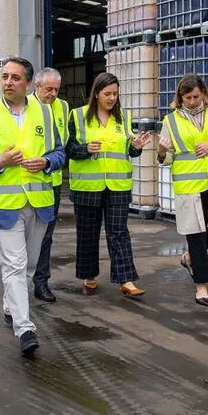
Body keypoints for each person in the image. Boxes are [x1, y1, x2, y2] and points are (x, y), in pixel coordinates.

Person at [0, 57, 65, 356]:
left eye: (15, 78)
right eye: (5, 77)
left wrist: (46, 162)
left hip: (39, 202)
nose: (8, 82)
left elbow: (59, 152)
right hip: (5, 204)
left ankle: (11, 306)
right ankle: (25, 328)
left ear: (28, 83)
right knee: (14, 265)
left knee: (30, 264)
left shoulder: (45, 113)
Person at [155, 74, 208, 307]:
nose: (193, 102)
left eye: (196, 97)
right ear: (180, 98)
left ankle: (189, 258)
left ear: (203, 93)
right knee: (195, 234)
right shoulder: (171, 121)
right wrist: (161, 152)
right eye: (187, 98)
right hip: (189, 187)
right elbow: (167, 158)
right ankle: (201, 285)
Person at [65, 72, 151, 297]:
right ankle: (88, 275)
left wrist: (137, 147)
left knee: (119, 232)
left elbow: (128, 150)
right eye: (107, 94)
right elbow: (68, 149)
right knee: (87, 233)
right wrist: (85, 149)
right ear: (96, 93)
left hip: (117, 186)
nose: (112, 98)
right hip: (87, 187)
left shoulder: (123, 117)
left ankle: (126, 279)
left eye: (115, 94)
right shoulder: (78, 116)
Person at [28, 67, 69, 303]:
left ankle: (41, 281)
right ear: (37, 86)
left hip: (53, 181)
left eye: (56, 90)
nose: (53, 94)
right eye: (48, 89)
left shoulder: (62, 107)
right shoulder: (26, 107)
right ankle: (20, 279)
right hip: (30, 180)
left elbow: (63, 144)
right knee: (25, 234)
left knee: (46, 235)